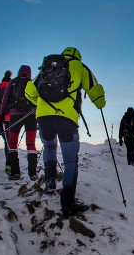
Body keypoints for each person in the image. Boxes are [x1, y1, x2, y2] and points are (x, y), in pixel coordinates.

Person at [25, 47, 105, 217]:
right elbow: (95, 90)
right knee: (70, 160)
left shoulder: (48, 67)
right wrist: (100, 103)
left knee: (49, 147)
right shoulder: (80, 67)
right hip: (67, 119)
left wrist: (41, 104)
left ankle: (50, 183)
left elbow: (29, 91)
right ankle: (67, 203)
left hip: (44, 118)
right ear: (78, 56)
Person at [0, 65, 38, 180]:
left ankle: (15, 172)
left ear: (19, 72)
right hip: (31, 115)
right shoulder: (32, 82)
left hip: (15, 116)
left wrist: (2, 114)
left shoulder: (13, 82)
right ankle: (33, 173)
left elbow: (6, 98)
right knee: (31, 144)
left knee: (12, 143)